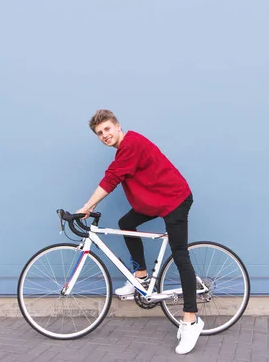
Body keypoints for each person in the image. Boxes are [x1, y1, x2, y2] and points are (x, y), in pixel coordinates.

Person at [75, 109, 204, 355]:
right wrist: (89, 206)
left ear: (118, 127)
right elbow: (115, 176)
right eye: (99, 133)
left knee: (180, 256)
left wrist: (87, 207)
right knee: (127, 223)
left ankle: (191, 319)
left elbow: (111, 178)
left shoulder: (131, 144)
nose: (104, 135)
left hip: (175, 200)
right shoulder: (124, 149)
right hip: (158, 200)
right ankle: (142, 275)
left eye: (107, 129)